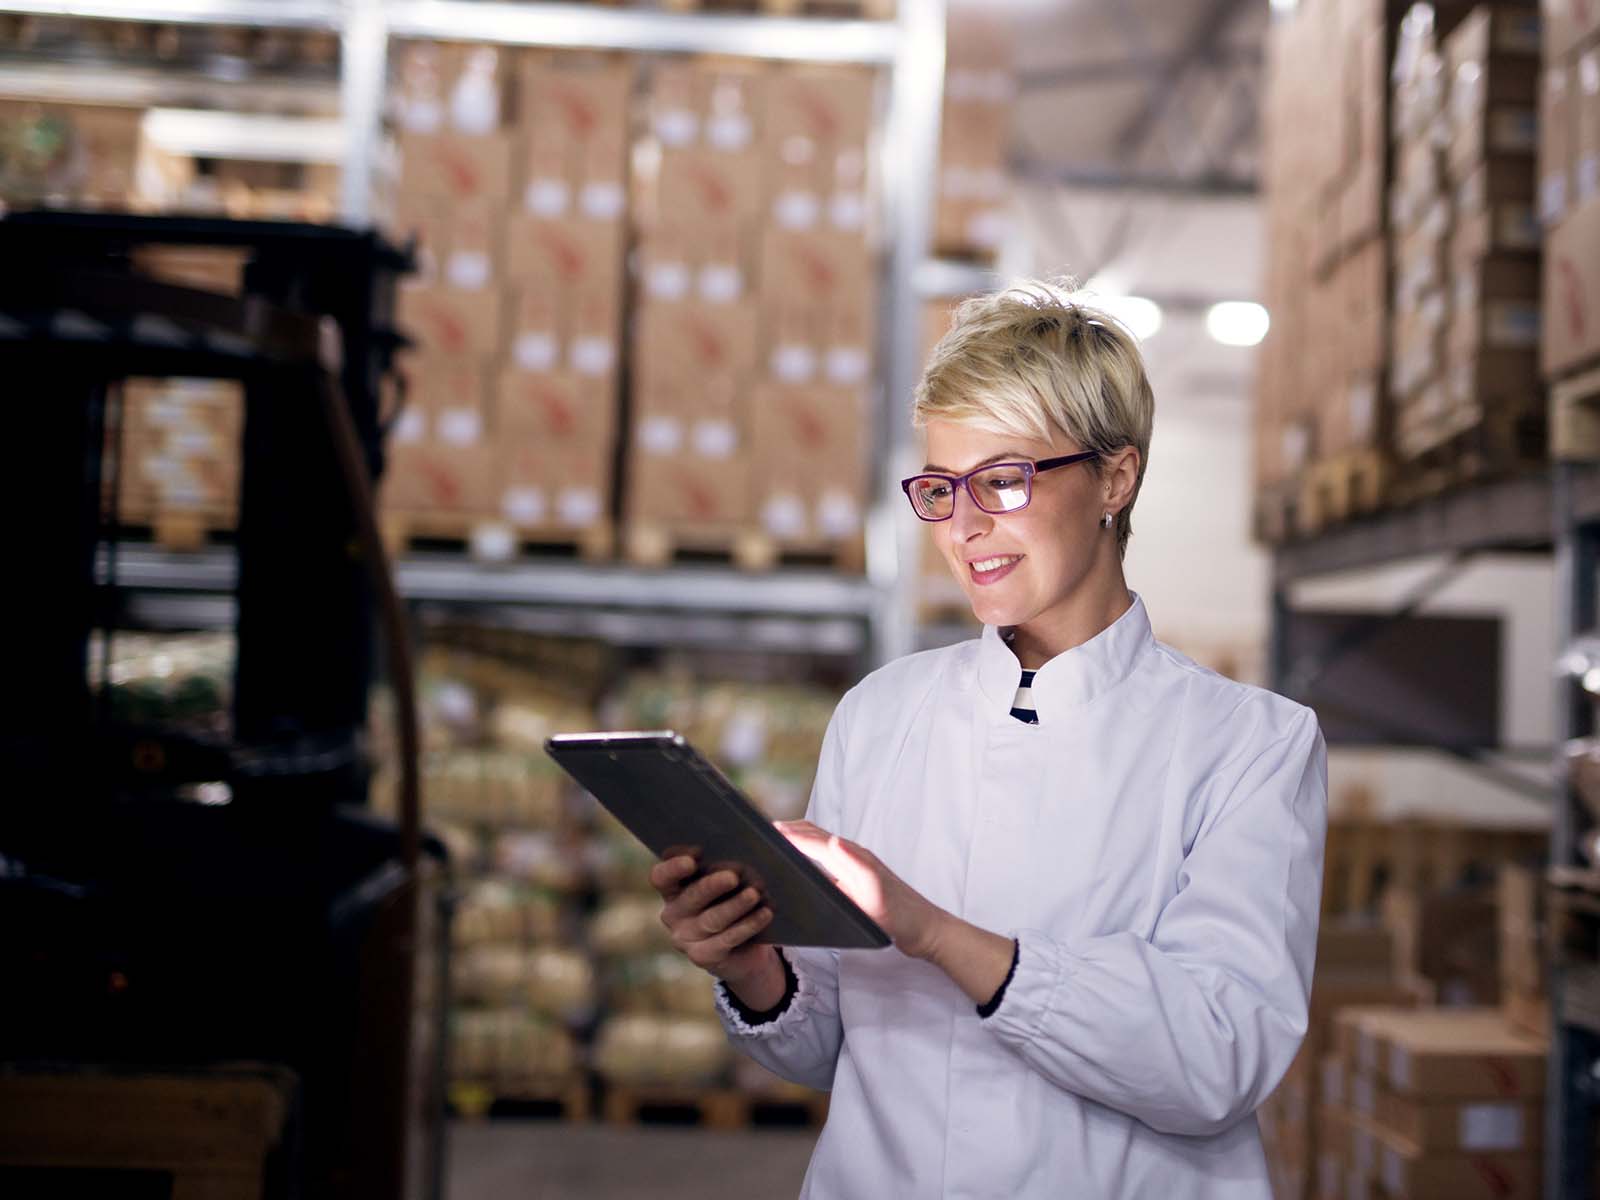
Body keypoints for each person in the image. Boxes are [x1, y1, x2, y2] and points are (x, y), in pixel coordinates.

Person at [650, 280, 1327, 1199]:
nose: (965, 526)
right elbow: (831, 1049)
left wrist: (933, 933)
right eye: (939, 487)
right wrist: (751, 964)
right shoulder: (882, 715)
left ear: (1116, 479)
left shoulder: (1249, 746)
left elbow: (1219, 1057)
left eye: (1003, 480)